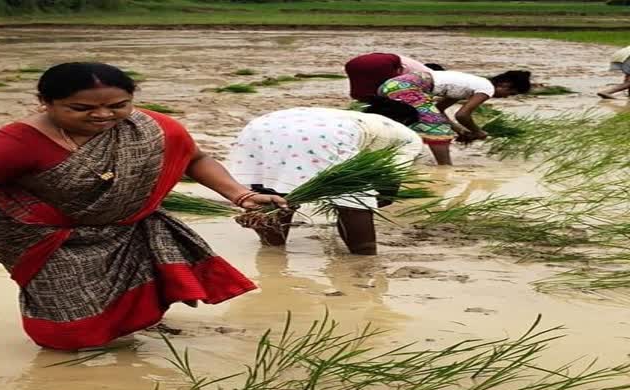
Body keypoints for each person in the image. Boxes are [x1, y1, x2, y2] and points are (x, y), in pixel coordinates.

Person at [0, 62, 286, 351]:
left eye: (119, 105)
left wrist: (242, 195)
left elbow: (194, 159)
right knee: (64, 331)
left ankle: (127, 339)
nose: (103, 116)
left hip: (123, 225)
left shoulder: (153, 128)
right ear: (45, 103)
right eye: (81, 108)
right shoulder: (8, 146)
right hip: (43, 233)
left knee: (139, 292)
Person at [227, 98, 423, 255]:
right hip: (324, 134)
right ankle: (364, 260)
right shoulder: (409, 137)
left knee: (275, 193)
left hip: (263, 125)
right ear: (407, 123)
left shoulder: (355, 118)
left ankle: (273, 253)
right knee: (354, 199)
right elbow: (389, 182)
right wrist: (362, 205)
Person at [379, 69, 532, 165]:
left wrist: (459, 130)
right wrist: (478, 131)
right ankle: (445, 168)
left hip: (392, 85)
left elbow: (439, 109)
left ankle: (390, 159)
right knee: (437, 129)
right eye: (510, 93)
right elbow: (463, 114)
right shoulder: (487, 88)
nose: (506, 97)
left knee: (407, 123)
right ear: (505, 85)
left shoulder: (468, 86)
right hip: (406, 87)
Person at [345, 53, 432, 104]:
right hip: (382, 64)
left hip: (356, 63)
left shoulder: (417, 67)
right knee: (390, 93)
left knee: (363, 93)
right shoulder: (428, 75)